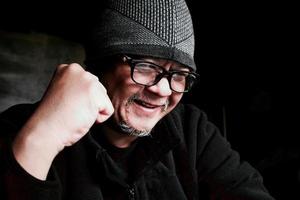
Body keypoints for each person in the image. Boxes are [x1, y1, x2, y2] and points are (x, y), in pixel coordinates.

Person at [0, 0, 275, 199]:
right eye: (145, 66)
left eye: (179, 74)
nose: (164, 90)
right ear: (100, 66)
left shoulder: (193, 130)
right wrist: (41, 139)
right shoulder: (20, 128)